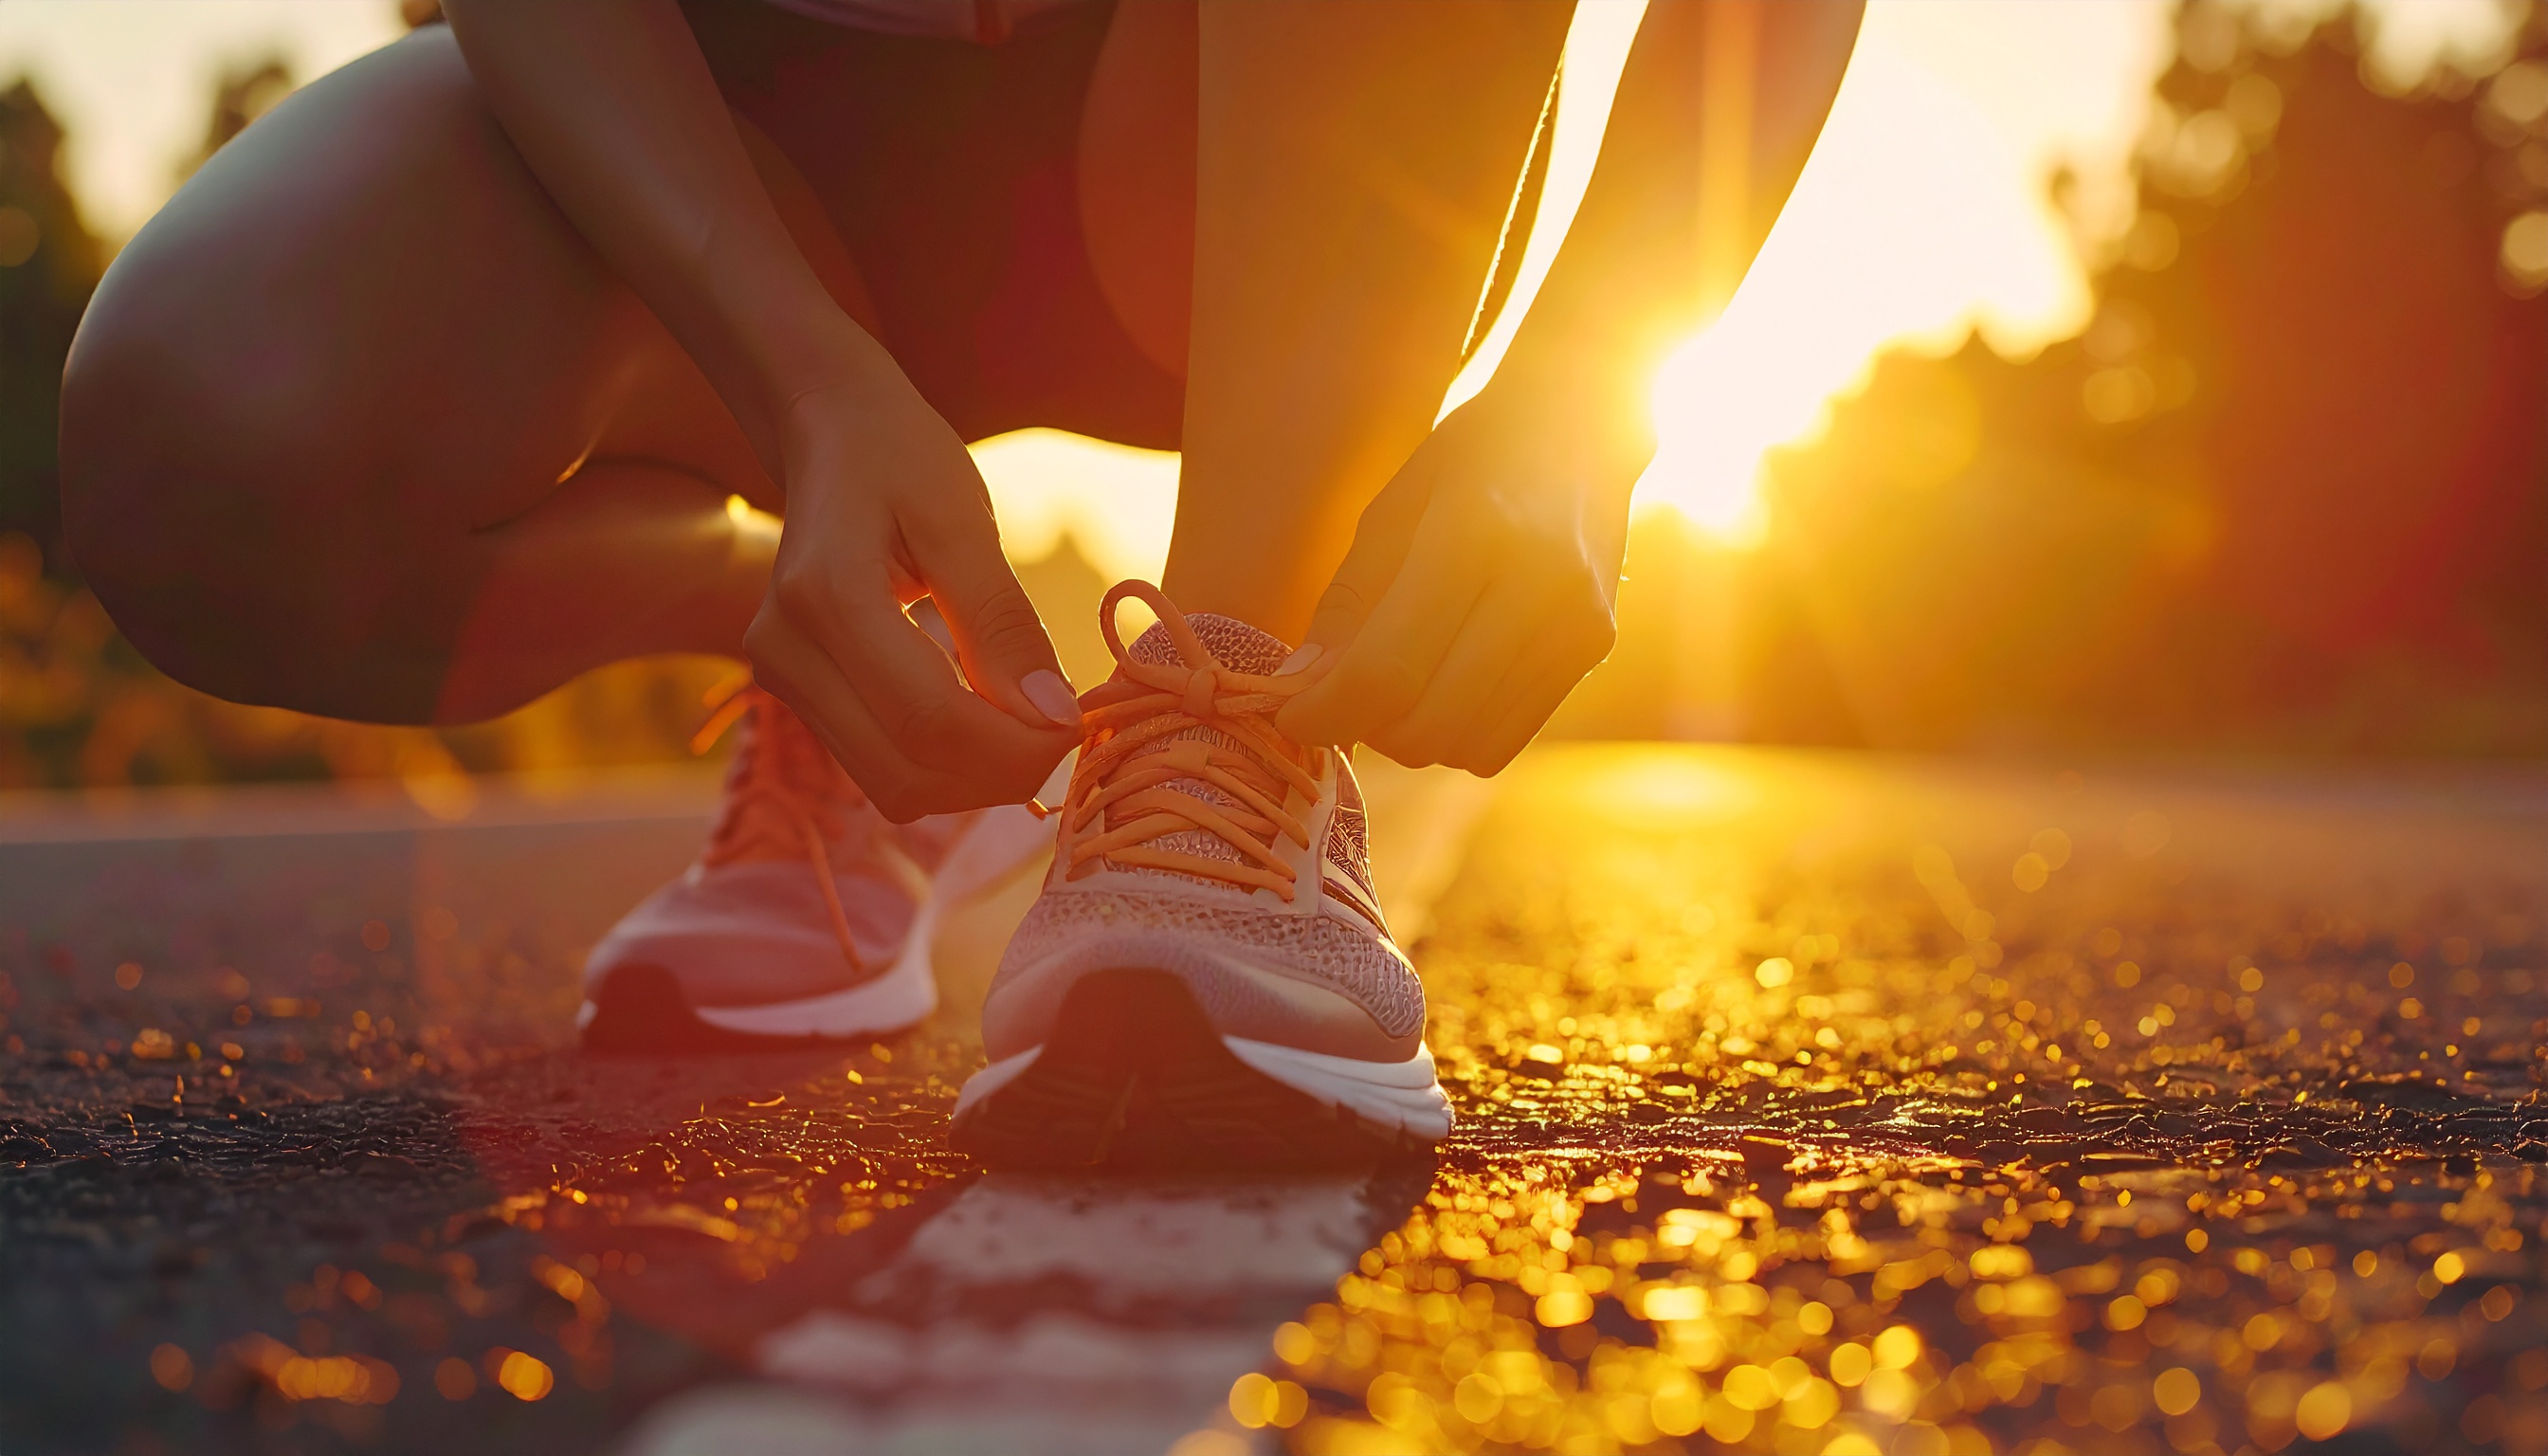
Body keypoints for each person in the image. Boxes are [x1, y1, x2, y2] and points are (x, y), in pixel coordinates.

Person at [57, 0, 1859, 1165]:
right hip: (709, 114)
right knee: (199, 429)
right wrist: (803, 372)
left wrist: (1584, 394)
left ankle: (1219, 725)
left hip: (1237, 117)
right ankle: (846, 658)